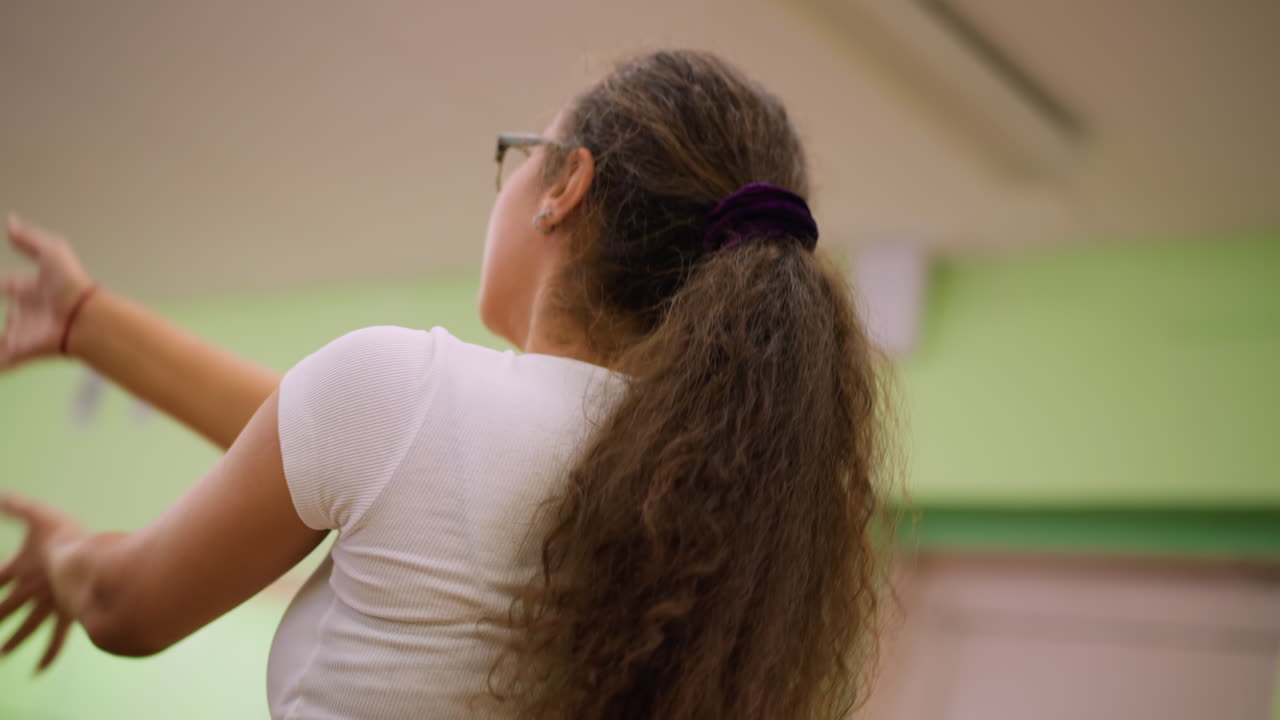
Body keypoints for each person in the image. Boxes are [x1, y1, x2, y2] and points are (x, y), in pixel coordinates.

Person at [0, 49, 892, 719]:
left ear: (565, 186)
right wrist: (90, 324)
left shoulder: (409, 400)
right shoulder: (704, 495)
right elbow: (334, 447)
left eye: (521, 155)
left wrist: (68, 553)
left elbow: (126, 606)